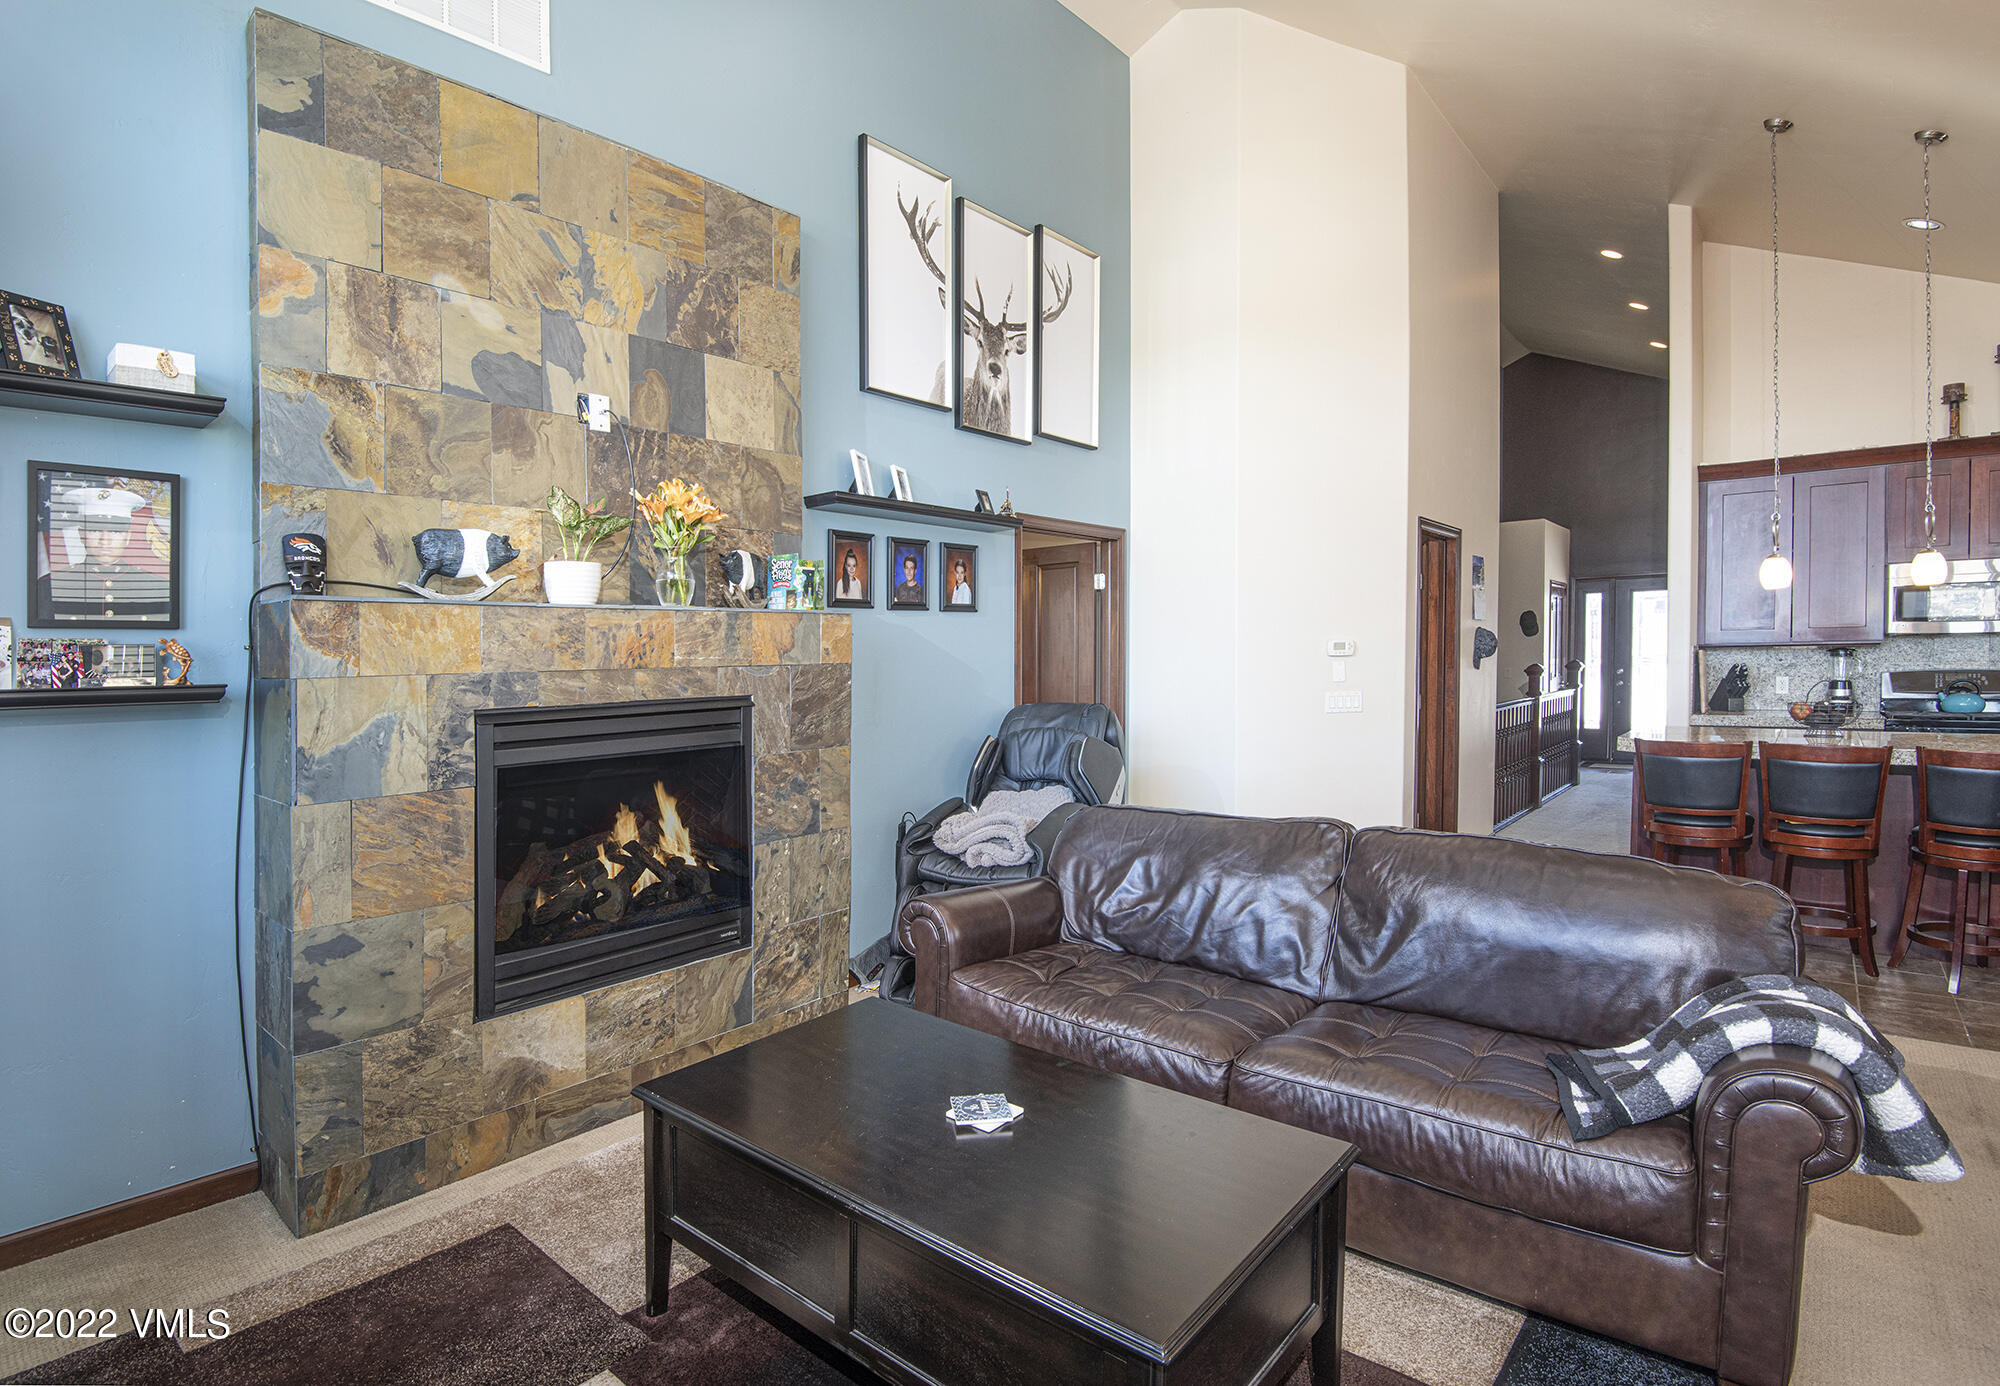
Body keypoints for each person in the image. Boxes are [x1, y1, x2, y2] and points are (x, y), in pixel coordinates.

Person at [38, 484, 171, 623]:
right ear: (81, 534)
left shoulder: (158, 587)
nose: (105, 540)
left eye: (115, 531)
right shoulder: (49, 586)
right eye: (95, 530)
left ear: (128, 537)